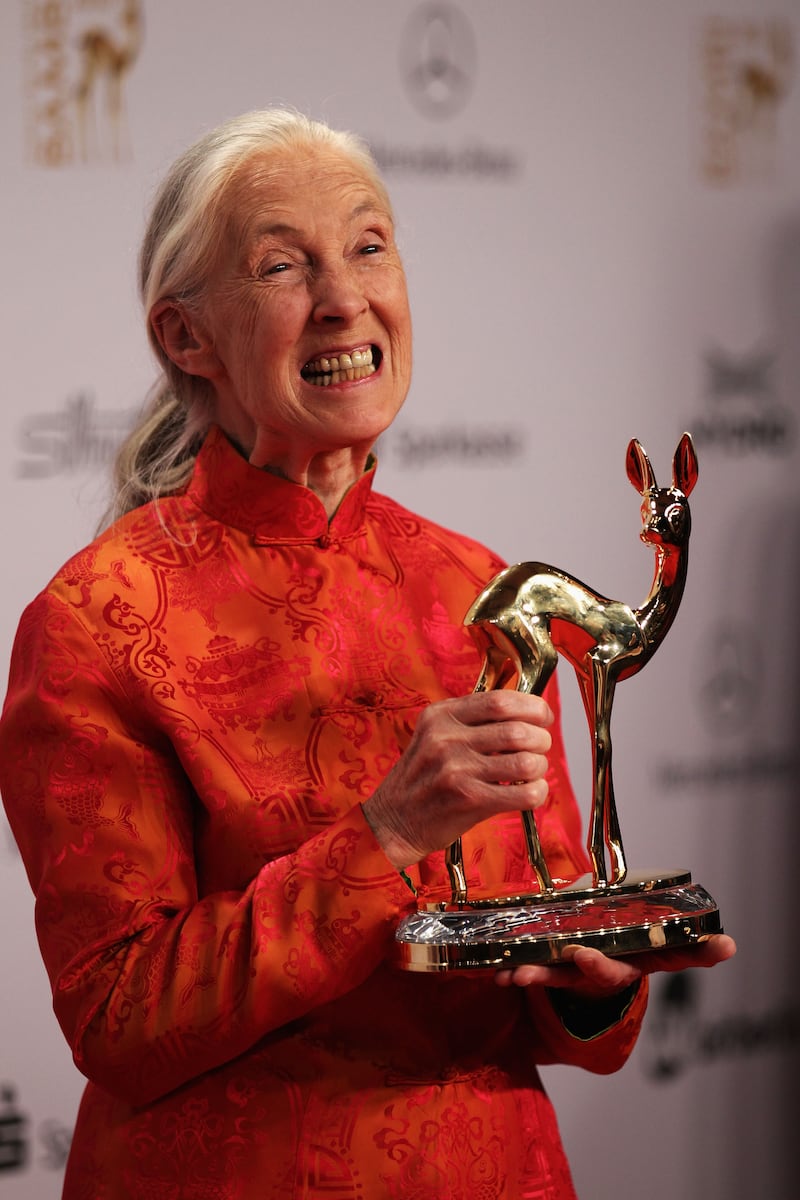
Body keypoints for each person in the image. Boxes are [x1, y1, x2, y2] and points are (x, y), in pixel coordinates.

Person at [0, 108, 734, 1200]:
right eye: (281, 265)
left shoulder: (474, 584)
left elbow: (549, 973)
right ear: (184, 338)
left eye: (367, 245)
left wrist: (590, 985)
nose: (344, 298)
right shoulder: (96, 618)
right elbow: (118, 1019)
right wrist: (383, 836)